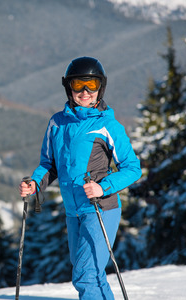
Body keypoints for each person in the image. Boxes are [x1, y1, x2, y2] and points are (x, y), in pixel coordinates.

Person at [18, 56, 142, 300]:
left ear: (100, 88)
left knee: (86, 274)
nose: (85, 92)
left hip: (100, 209)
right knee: (90, 273)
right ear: (69, 87)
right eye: (78, 85)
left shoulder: (108, 125)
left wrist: (103, 187)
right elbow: (49, 164)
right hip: (73, 211)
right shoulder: (57, 123)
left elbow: (132, 168)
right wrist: (34, 184)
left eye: (92, 85)